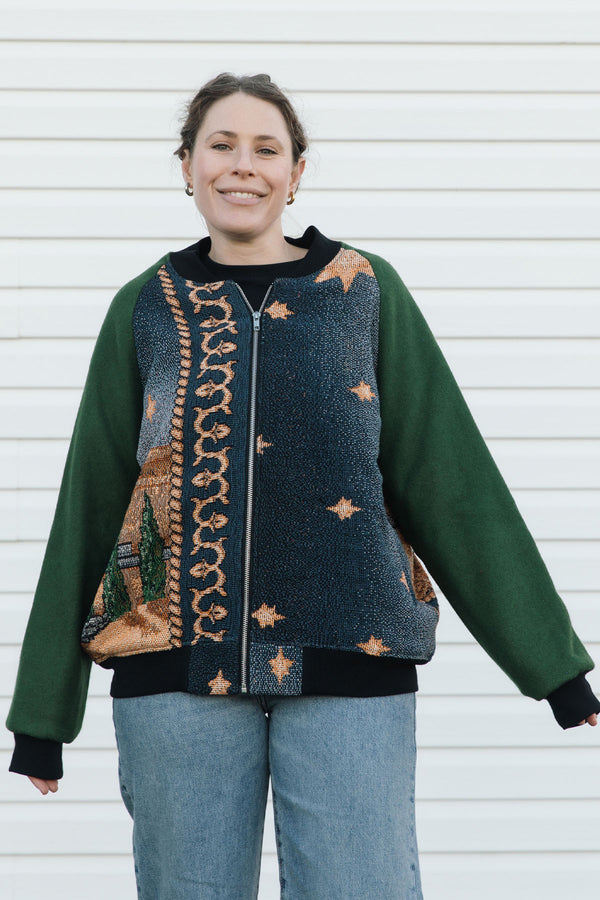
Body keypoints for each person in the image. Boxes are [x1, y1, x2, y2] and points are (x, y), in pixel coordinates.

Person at [6, 71, 599, 899]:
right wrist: (42, 717)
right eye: (220, 145)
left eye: (265, 148)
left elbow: (451, 478)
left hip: (353, 666)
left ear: (296, 171)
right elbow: (90, 503)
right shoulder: (144, 308)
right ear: (186, 165)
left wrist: (554, 669)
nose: (241, 166)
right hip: (172, 675)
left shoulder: (364, 292)